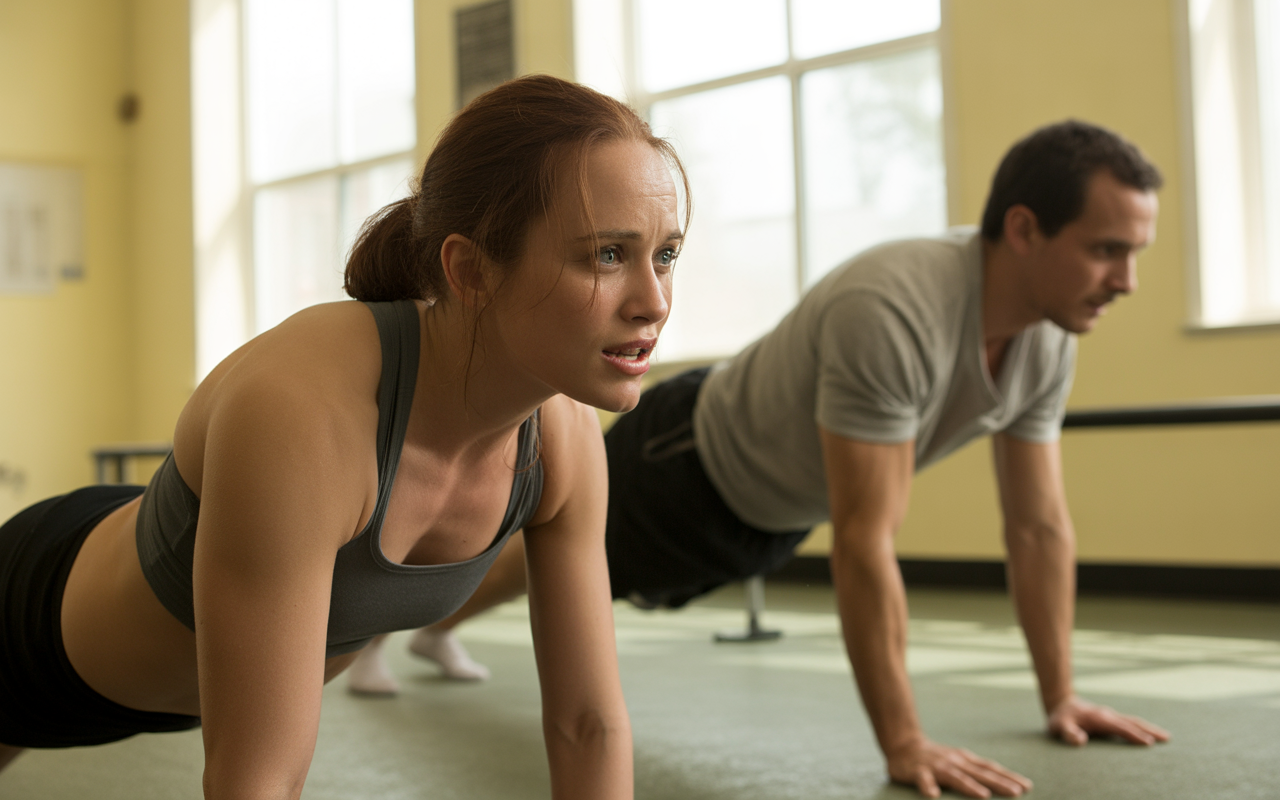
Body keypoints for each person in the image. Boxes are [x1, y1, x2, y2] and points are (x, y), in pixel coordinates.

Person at [348, 119, 1171, 798]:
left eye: (1133, 253)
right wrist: (906, 744)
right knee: (532, 563)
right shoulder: (897, 307)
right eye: (1107, 250)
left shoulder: (1046, 342)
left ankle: (422, 632)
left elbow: (1038, 526)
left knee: (556, 570)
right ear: (1024, 230)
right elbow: (865, 538)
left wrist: (1059, 696)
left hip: (770, 516)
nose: (1126, 280)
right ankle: (397, 627)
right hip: (688, 464)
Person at [0, 74, 689, 799]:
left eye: (666, 254)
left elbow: (588, 725)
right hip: (35, 634)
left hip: (173, 678)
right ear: (470, 269)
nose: (654, 302)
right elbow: (256, 781)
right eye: (607, 255)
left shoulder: (564, 443)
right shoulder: (304, 412)